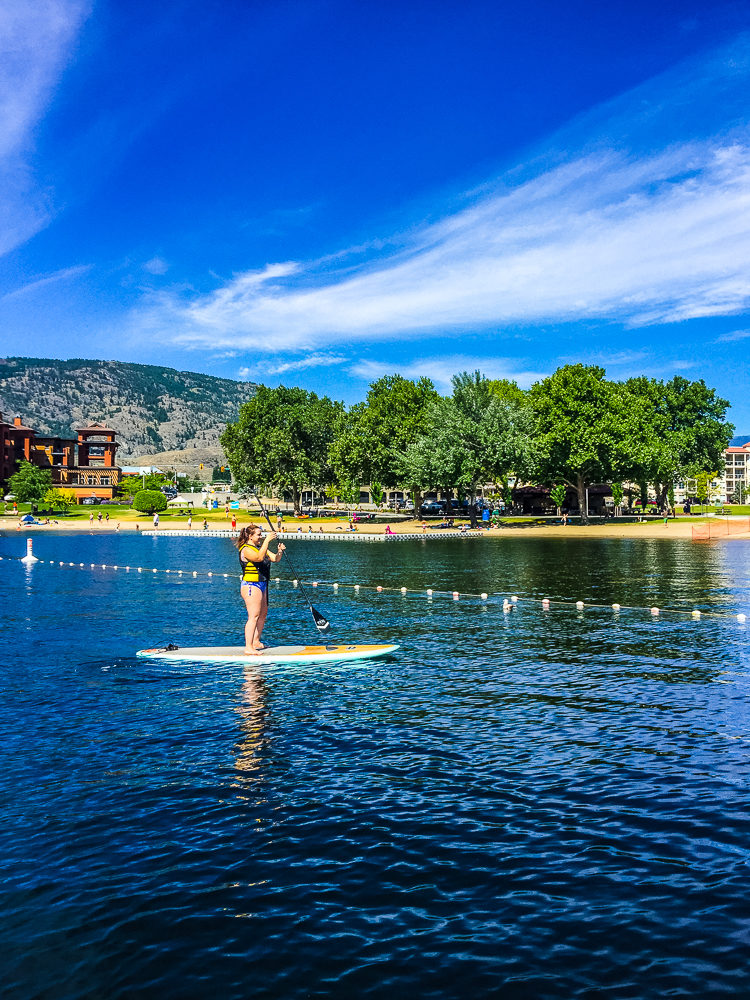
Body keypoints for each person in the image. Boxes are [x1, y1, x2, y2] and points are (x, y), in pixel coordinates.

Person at [236, 524, 285, 655]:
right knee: (254, 615)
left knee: (262, 614)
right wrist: (268, 541)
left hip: (263, 584)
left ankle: (256, 642)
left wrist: (279, 551)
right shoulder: (246, 549)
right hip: (251, 585)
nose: (261, 536)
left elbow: (275, 559)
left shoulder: (260, 547)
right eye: (258, 534)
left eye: (261, 534)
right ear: (250, 536)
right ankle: (248, 646)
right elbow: (258, 558)